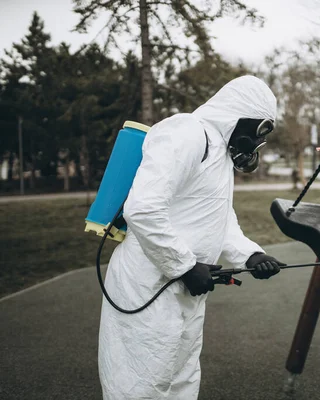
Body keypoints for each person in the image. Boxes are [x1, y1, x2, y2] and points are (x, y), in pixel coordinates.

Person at [98, 76, 286, 399]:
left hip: (187, 291)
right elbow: (142, 208)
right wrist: (184, 265)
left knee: (182, 381)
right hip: (148, 289)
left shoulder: (220, 156)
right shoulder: (187, 133)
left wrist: (251, 255)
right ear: (236, 115)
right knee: (141, 386)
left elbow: (219, 220)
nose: (254, 145)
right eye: (256, 132)